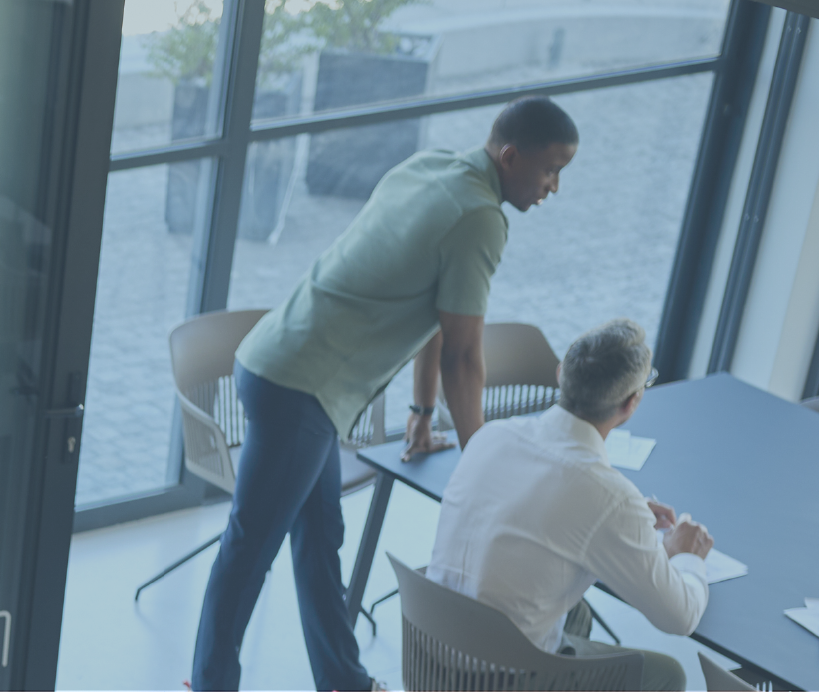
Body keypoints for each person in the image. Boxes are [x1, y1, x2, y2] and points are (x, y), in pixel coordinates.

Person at [193, 96, 581, 691]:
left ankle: (343, 681)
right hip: (300, 389)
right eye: (551, 169)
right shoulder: (480, 217)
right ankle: (208, 684)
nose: (555, 187)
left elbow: (438, 318)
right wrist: (482, 464)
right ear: (510, 156)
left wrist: (422, 413)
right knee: (249, 549)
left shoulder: (432, 167)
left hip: (283, 367)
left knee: (320, 539)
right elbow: (463, 354)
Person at [427, 318, 710, 690]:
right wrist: (686, 556)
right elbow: (681, 617)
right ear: (632, 403)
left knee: (576, 615)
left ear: (561, 374)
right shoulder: (607, 498)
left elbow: (538, 499)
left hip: (432, 653)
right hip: (500, 679)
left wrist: (624, 512)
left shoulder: (491, 435)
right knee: (667, 675)